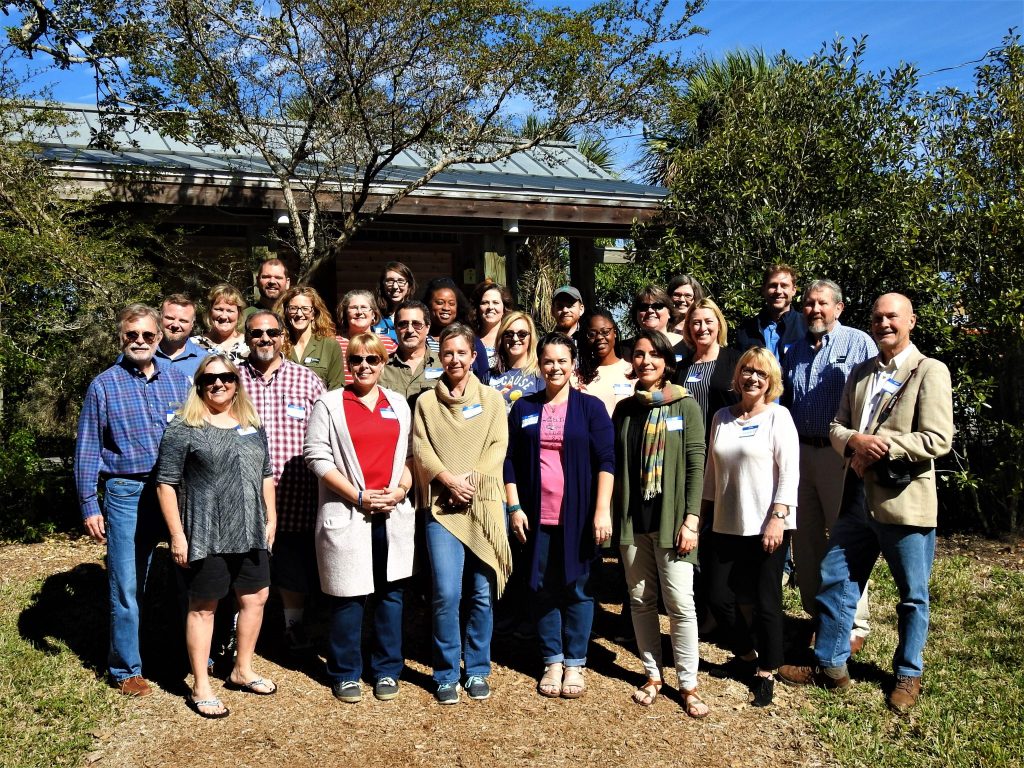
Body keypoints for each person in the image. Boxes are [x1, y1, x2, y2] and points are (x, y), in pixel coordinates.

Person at [779, 293, 953, 714]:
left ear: (910, 320)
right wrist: (854, 440)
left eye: (892, 316)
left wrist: (880, 445)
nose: (883, 324)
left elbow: (937, 439)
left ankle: (908, 675)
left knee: (912, 595)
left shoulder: (929, 371)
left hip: (904, 503)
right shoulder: (860, 372)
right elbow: (838, 425)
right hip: (856, 498)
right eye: (877, 318)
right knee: (836, 578)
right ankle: (830, 666)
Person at [75, 304, 191, 697]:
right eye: (131, 335)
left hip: (175, 493)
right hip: (126, 492)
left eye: (147, 335)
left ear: (159, 337)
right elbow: (88, 448)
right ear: (121, 338)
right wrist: (89, 504)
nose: (139, 341)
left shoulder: (178, 380)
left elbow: (198, 435)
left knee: (188, 576)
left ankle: (193, 655)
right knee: (126, 584)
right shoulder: (103, 385)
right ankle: (127, 668)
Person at [155, 354, 278, 718]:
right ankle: (201, 685)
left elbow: (266, 475)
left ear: (237, 382)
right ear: (199, 385)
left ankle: (242, 669)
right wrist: (177, 534)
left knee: (256, 597)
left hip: (250, 529)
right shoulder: (183, 426)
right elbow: (165, 484)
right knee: (204, 608)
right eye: (210, 379)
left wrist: (270, 520)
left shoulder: (252, 424)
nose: (218, 384)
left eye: (226, 377)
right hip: (205, 532)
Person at [304, 333, 416, 704]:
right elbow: (316, 457)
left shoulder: (398, 404)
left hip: (391, 511)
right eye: (357, 360)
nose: (364, 366)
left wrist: (399, 491)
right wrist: (359, 496)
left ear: (383, 364)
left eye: (372, 359)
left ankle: (386, 668)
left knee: (390, 594)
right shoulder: (330, 403)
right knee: (348, 596)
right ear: (348, 365)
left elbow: (412, 458)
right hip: (349, 511)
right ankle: (346, 671)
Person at [504, 332, 614, 699]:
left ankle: (575, 663)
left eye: (562, 361)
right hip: (537, 516)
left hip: (580, 516)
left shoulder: (590, 408)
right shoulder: (524, 408)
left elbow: (606, 462)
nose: (555, 367)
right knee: (543, 586)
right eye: (548, 361)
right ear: (540, 364)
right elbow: (509, 461)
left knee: (579, 588)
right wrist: (514, 506)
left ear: (573, 365)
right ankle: (552, 659)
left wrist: (601, 511)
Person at [412, 323, 511, 704]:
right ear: (441, 357)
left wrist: (470, 481)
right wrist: (448, 481)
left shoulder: (492, 400)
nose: (454, 359)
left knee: (482, 594)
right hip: (442, 507)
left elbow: (498, 445)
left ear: (473, 357)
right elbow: (421, 448)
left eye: (461, 352)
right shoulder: (425, 402)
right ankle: (446, 673)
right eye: (447, 353)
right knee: (446, 594)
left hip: (484, 505)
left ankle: (479, 668)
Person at [612, 329, 708, 717]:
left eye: (654, 354)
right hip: (633, 521)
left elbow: (696, 465)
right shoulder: (625, 409)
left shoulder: (685, 406)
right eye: (638, 354)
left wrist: (692, 520)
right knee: (640, 600)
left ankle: (688, 683)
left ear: (666, 361)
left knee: (681, 603)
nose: (646, 361)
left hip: (672, 522)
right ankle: (653, 675)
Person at [701, 347, 799, 707]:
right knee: (717, 596)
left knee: (766, 602)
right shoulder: (722, 418)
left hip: (766, 525)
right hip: (727, 522)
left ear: (771, 380)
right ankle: (745, 655)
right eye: (746, 371)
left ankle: (767, 671)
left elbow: (790, 472)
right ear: (737, 376)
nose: (752, 378)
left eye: (760, 373)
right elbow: (712, 473)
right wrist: (701, 516)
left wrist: (778, 518)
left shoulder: (779, 417)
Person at [782, 280, 876, 653]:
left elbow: (871, 402)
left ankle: (855, 623)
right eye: (808, 304)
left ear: (839, 308)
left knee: (846, 539)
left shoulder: (858, 344)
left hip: (840, 457)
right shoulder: (794, 351)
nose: (814, 310)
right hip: (801, 453)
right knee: (804, 540)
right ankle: (819, 617)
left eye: (822, 304)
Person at [239, 310, 326, 653]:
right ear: (247, 338)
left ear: (282, 337)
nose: (265, 339)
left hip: (295, 488)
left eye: (272, 332)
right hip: (243, 490)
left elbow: (324, 432)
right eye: (257, 333)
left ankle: (293, 626)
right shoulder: (233, 379)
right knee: (245, 562)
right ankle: (239, 631)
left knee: (292, 562)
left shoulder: (307, 380)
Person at [675, 298, 742, 440]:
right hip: (689, 447)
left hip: (726, 444)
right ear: (689, 328)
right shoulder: (680, 368)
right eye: (696, 323)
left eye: (708, 321)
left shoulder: (737, 361)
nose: (702, 328)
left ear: (719, 324)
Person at [421, 277, 489, 382]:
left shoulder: (471, 340)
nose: (446, 308)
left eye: (451, 303)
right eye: (440, 302)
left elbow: (484, 379)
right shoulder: (420, 339)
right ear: (428, 304)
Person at [378, 300, 445, 406]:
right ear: (395, 328)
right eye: (403, 324)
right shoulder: (380, 367)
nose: (410, 330)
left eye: (416, 324)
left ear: (427, 327)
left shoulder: (443, 364)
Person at [734, 264, 807, 361]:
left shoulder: (806, 327)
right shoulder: (747, 330)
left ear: (794, 290)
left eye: (784, 286)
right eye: (773, 285)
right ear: (763, 289)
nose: (778, 291)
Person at [277, 286, 345, 390]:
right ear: (286, 312)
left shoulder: (329, 346)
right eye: (293, 308)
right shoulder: (278, 345)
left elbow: (337, 388)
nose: (299, 314)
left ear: (314, 314)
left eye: (305, 309)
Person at [575, 309, 634, 418]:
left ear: (614, 333)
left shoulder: (632, 371)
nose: (599, 337)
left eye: (605, 332)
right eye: (592, 334)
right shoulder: (577, 376)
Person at [336, 289, 398, 385]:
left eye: (364, 307)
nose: (359, 312)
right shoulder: (334, 344)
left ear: (373, 314)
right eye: (353, 308)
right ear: (345, 313)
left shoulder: (388, 344)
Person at [488, 310, 544, 410]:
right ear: (502, 337)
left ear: (530, 338)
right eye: (509, 334)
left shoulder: (540, 375)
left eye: (522, 334)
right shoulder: (489, 375)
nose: (515, 338)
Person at [155, 294, 212, 380]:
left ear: (192, 324)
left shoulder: (205, 361)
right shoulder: (144, 353)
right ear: (160, 318)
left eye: (183, 321)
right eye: (170, 318)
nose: (175, 325)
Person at [627, 286, 688, 360]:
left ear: (669, 312)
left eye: (657, 306)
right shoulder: (625, 349)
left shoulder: (687, 344)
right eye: (643, 307)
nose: (650, 311)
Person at [194, 284, 250, 364]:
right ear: (210, 312)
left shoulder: (250, 345)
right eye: (219, 309)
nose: (224, 316)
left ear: (239, 314)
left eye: (230, 311)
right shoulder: (194, 345)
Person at [472, 281, 513, 370]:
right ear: (478, 308)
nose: (490, 307)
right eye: (485, 302)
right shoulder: (470, 340)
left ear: (504, 307)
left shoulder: (512, 338)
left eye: (495, 302)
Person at [372, 261, 417, 342]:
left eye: (401, 281)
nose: (395, 286)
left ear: (409, 286)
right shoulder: (374, 316)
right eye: (390, 281)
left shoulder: (417, 314)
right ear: (382, 285)